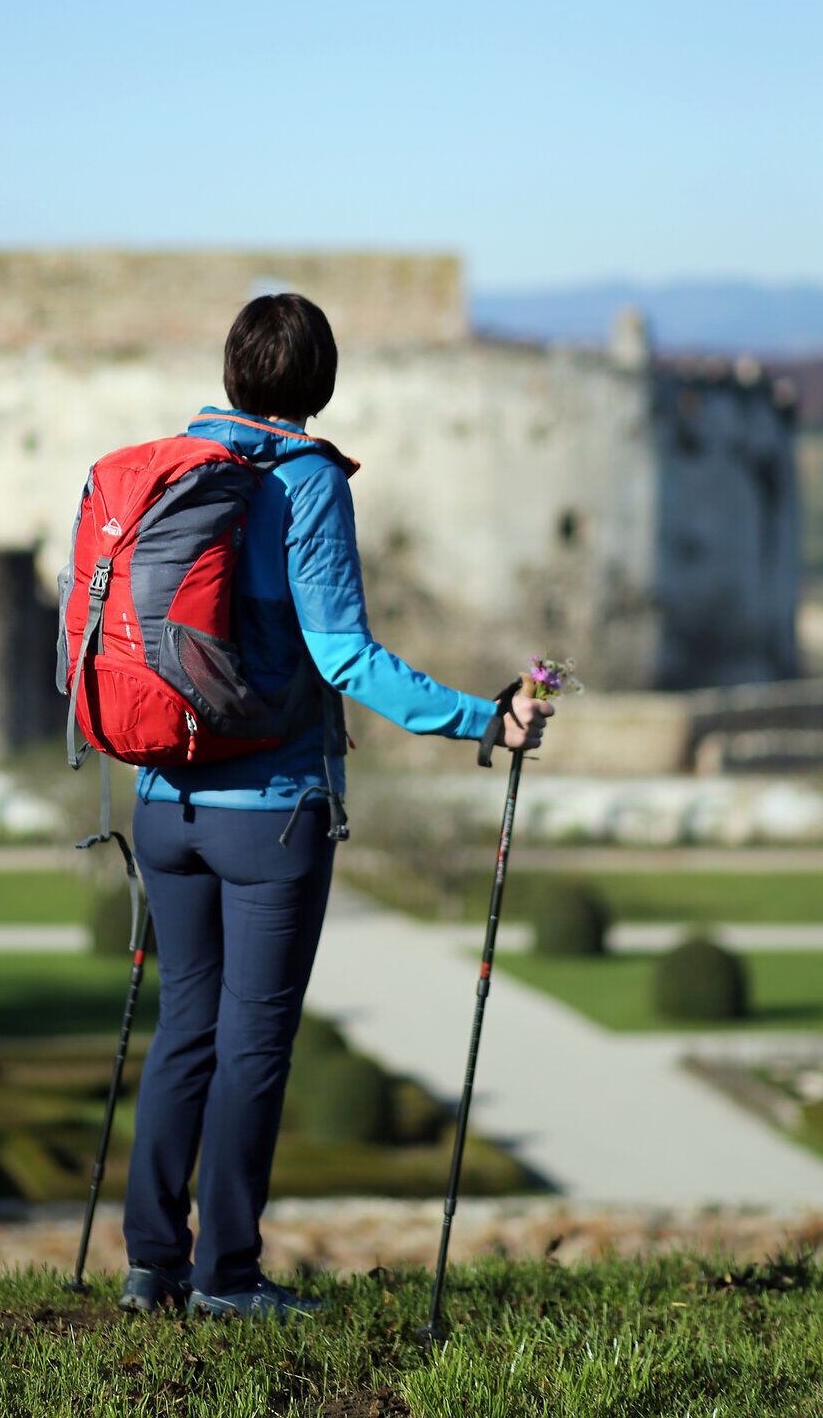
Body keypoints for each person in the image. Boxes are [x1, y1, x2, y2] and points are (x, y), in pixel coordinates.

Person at [119, 292, 552, 1321]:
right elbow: (342, 654)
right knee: (252, 1043)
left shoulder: (164, 466)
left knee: (184, 1029)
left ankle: (150, 1266)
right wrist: (480, 721)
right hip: (268, 811)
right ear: (318, 383)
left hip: (156, 799)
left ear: (230, 374)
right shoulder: (305, 480)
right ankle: (226, 1278)